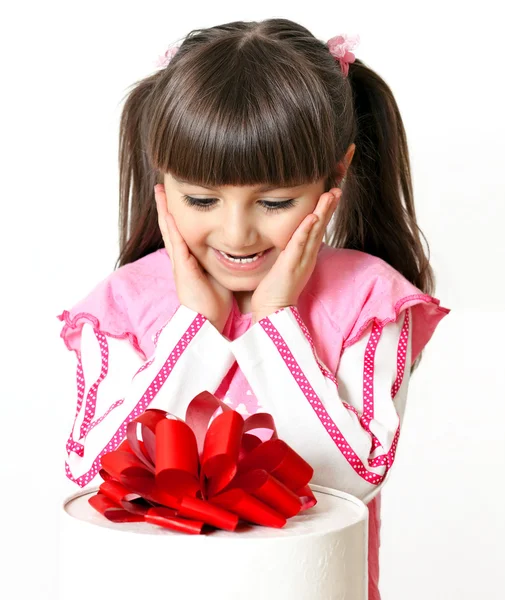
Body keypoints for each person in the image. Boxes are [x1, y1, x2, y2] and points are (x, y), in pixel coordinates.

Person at [57, 18, 450, 599]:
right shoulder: (123, 306)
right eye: (201, 198)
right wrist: (196, 327)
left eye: (274, 201)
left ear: (335, 171)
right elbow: (94, 479)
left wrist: (276, 322)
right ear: (160, 177)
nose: (237, 233)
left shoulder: (370, 301)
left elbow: (351, 482)